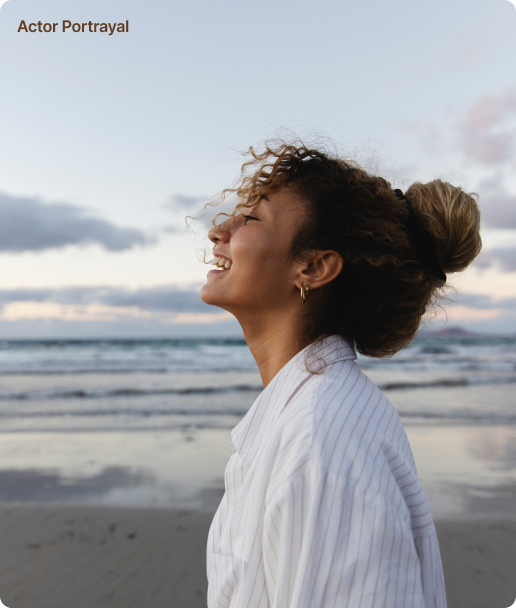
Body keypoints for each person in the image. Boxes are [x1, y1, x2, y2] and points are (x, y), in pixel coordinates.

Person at [199, 141, 482, 608]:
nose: (219, 231)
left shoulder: (320, 440)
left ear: (313, 267)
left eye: (250, 219)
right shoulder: (305, 418)